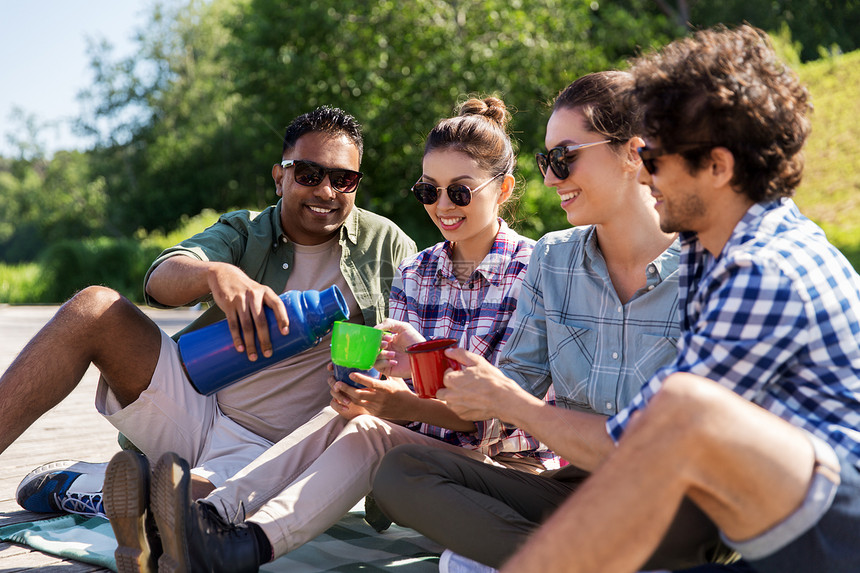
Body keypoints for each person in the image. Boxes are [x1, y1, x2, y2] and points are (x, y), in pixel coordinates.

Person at [459, 26, 860, 573]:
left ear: (717, 167)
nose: (645, 173)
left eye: (657, 156)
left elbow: (650, 442)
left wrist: (511, 406)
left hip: (827, 541)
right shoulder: (713, 249)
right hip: (769, 530)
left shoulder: (761, 270)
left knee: (683, 409)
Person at [102, 96, 557, 572]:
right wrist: (380, 389)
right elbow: (408, 389)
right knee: (349, 416)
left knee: (368, 429)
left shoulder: (536, 272)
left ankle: (226, 539)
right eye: (428, 191)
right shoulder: (416, 271)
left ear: (502, 189)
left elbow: (498, 422)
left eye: (460, 192)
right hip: (433, 456)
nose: (442, 207)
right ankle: (208, 520)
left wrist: (401, 406)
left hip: (508, 470)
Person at [373, 71, 713, 571]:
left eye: (564, 158)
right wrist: (428, 365)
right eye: (545, 161)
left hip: (676, 503)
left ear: (632, 153)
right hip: (578, 492)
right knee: (402, 471)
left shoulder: (708, 266)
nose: (551, 177)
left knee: (462, 562)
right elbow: (504, 400)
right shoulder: (553, 259)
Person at [9, 106, 416, 519]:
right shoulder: (245, 231)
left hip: (285, 449)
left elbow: (418, 352)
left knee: (192, 510)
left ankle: (95, 486)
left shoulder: (389, 248)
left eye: (343, 179)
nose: (326, 191)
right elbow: (159, 282)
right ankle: (137, 484)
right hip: (195, 404)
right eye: (309, 174)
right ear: (280, 178)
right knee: (92, 307)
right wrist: (215, 273)